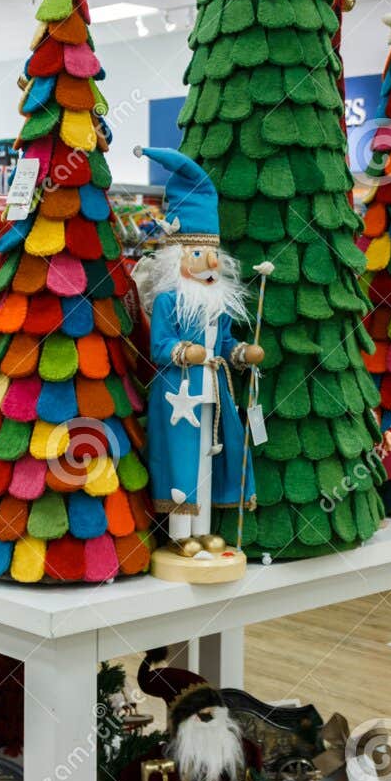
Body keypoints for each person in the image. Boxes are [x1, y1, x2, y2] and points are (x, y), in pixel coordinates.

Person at [131, 147, 262, 559]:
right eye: (199, 254)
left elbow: (222, 345)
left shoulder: (216, 304)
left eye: (212, 256)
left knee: (209, 455)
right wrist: (184, 352)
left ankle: (203, 528)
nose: (208, 264)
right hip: (177, 394)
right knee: (182, 458)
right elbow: (159, 345)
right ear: (179, 257)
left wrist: (241, 353)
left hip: (212, 391)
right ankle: (178, 530)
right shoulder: (170, 301)